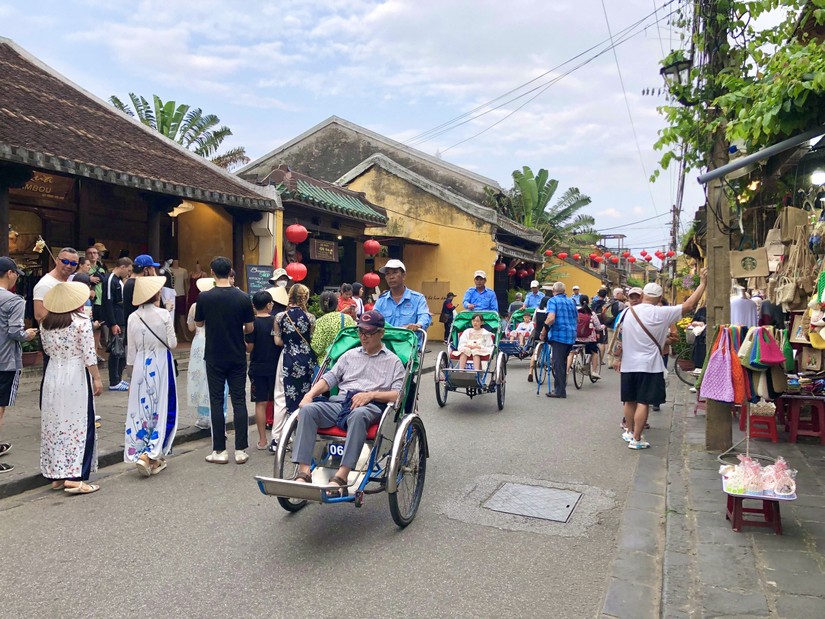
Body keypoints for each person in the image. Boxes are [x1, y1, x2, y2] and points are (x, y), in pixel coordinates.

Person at [291, 310, 405, 497]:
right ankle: (304, 472)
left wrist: (371, 395)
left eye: (369, 333)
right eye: (361, 332)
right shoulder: (349, 355)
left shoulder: (393, 362)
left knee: (358, 414)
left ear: (381, 333)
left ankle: (342, 475)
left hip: (370, 406)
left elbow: (397, 394)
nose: (363, 337)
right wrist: (309, 394)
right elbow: (330, 378)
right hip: (341, 402)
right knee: (308, 410)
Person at [621, 273, 707, 449]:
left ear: (643, 295)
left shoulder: (627, 311)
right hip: (649, 365)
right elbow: (689, 305)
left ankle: (629, 432)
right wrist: (703, 283)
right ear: (660, 298)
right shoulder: (662, 312)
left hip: (628, 364)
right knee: (643, 401)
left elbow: (620, 337)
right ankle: (637, 439)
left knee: (630, 400)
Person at [39, 282, 103, 494]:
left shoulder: (45, 323)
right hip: (75, 374)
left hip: (53, 375)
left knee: (55, 425)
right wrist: (96, 378)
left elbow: (47, 350)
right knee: (81, 424)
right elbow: (88, 354)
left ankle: (57, 474)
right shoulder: (81, 322)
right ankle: (76, 476)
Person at [194, 257, 255, 465]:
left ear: (212, 272)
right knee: (239, 400)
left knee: (216, 401)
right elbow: (250, 328)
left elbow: (199, 323)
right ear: (230, 271)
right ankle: (240, 450)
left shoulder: (204, 297)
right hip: (237, 353)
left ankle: (219, 450)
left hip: (214, 354)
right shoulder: (243, 297)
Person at [124, 276, 178, 477]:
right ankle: (151, 454)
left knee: (142, 409)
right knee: (163, 408)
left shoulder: (132, 317)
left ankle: (141, 451)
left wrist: (130, 377)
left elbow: (131, 351)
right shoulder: (163, 314)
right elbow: (172, 343)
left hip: (140, 364)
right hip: (161, 363)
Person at [373, 259, 431, 414]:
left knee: (405, 383)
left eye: (395, 273)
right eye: (388, 274)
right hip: (384, 350)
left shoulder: (417, 298)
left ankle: (408, 412)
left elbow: (425, 316)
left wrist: (418, 325)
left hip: (406, 352)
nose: (391, 277)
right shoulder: (382, 301)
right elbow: (372, 318)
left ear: (403, 275)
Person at [0, 257, 38, 473]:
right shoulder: (14, 300)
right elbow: (15, 332)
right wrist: (28, 334)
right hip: (5, 360)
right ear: (10, 273)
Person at [274, 284, 316, 419]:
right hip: (306, 359)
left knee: (285, 395)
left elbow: (277, 341)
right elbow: (312, 340)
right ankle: (303, 421)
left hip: (288, 358)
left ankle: (284, 430)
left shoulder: (279, 317)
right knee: (305, 392)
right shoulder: (310, 317)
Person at [244, 290, 279, 451]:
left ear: (253, 306)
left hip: (257, 368)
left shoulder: (251, 324)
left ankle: (262, 440)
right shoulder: (276, 321)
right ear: (269, 305)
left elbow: (249, 348)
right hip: (276, 367)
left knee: (260, 403)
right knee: (278, 402)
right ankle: (278, 438)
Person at [538, 282, 577, 398]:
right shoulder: (571, 301)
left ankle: (560, 390)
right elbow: (576, 318)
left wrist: (543, 331)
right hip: (571, 335)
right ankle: (561, 388)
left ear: (554, 291)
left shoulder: (553, 301)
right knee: (563, 362)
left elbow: (550, 318)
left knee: (558, 363)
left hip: (559, 335)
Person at [187, 277, 217, 429]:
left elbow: (191, 328)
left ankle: (202, 416)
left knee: (198, 377)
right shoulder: (216, 304)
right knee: (211, 377)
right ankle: (215, 413)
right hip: (213, 340)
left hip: (198, 342)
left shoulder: (194, 306)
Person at [100, 257, 133, 391]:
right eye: (128, 270)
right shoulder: (109, 280)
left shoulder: (118, 280)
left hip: (121, 316)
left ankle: (118, 377)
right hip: (116, 318)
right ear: (123, 266)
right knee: (116, 349)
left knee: (122, 349)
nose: (129, 273)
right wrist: (112, 323)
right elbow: (107, 301)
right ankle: (114, 380)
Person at [33, 247, 80, 323]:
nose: (68, 266)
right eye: (65, 261)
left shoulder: (69, 281)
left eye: (73, 263)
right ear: (57, 260)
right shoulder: (45, 284)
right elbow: (40, 316)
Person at [311, 291, 357, 361]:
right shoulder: (348, 318)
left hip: (326, 364)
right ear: (337, 304)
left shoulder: (320, 322)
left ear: (321, 306)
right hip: (345, 362)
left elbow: (317, 348)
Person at [570, 294, 603, 379]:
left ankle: (567, 370)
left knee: (571, 353)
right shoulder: (592, 313)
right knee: (594, 352)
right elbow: (598, 326)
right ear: (588, 302)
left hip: (576, 338)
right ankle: (594, 371)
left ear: (579, 302)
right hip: (589, 339)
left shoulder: (576, 312)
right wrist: (603, 327)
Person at [123, 254, 160, 330]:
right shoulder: (138, 284)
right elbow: (155, 306)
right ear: (146, 270)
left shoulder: (129, 282)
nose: (153, 271)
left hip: (133, 326)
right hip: (140, 328)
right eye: (152, 268)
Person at [591, 288, 610, 360]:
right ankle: (600, 360)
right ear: (605, 295)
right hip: (602, 323)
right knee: (602, 342)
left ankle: (593, 359)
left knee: (594, 340)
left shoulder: (593, 303)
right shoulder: (606, 305)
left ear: (598, 294)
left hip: (593, 323)